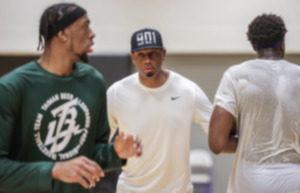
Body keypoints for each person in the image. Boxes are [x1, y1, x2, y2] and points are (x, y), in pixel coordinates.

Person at [0, 3, 142, 193]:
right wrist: (54, 170)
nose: (92, 34)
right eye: (85, 26)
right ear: (63, 34)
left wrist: (115, 153)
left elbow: (89, 155)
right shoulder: (12, 87)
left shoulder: (93, 81)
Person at [106, 28, 213, 193]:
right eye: (141, 55)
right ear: (132, 57)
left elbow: (217, 131)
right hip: (131, 189)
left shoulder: (188, 90)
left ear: (163, 54)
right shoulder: (116, 93)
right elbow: (98, 145)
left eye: (153, 54)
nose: (147, 60)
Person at [209, 13, 300, 193]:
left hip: (250, 181)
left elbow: (217, 143)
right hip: (294, 179)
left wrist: (242, 140)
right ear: (283, 42)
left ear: (253, 45)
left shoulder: (236, 75)